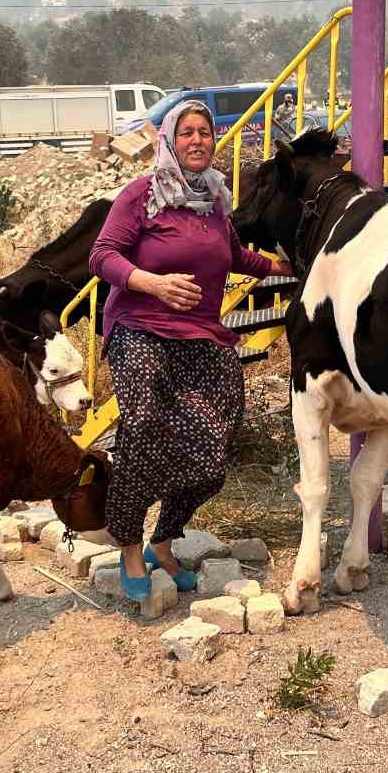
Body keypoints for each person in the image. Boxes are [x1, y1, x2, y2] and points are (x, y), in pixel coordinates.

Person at [87, 100, 290, 600]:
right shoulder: (142, 195)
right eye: (187, 133)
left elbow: (234, 254)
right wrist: (150, 283)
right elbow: (102, 255)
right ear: (170, 142)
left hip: (201, 335)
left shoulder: (216, 200)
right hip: (140, 326)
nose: (198, 141)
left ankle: (164, 538)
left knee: (213, 453)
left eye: (205, 133)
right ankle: (130, 544)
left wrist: (281, 269)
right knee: (144, 426)